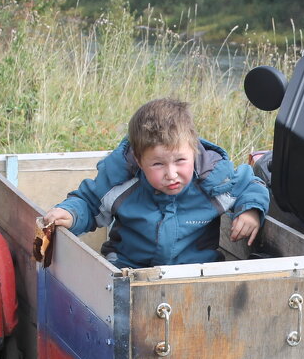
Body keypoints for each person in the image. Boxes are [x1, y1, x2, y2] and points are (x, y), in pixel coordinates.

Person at [41, 98, 268, 269]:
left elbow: (252, 184)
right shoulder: (122, 183)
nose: (171, 174)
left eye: (180, 160)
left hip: (195, 272)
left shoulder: (214, 181)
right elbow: (89, 203)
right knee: (119, 306)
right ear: (139, 161)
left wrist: (251, 211)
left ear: (194, 152)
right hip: (128, 268)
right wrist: (70, 214)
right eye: (158, 164)